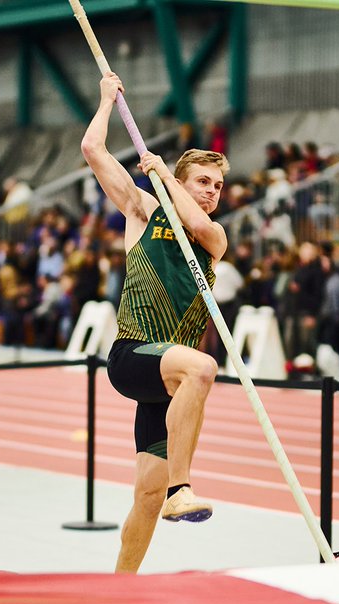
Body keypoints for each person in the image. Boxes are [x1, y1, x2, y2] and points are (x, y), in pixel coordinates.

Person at [82, 71, 228, 574]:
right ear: (183, 182)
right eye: (202, 182)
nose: (212, 192)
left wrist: (166, 176)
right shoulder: (143, 211)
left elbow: (199, 224)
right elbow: (93, 150)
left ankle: (120, 585)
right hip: (133, 355)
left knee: (145, 496)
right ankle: (181, 489)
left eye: (218, 185)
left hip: (166, 384)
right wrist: (106, 100)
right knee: (203, 367)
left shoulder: (214, 237)